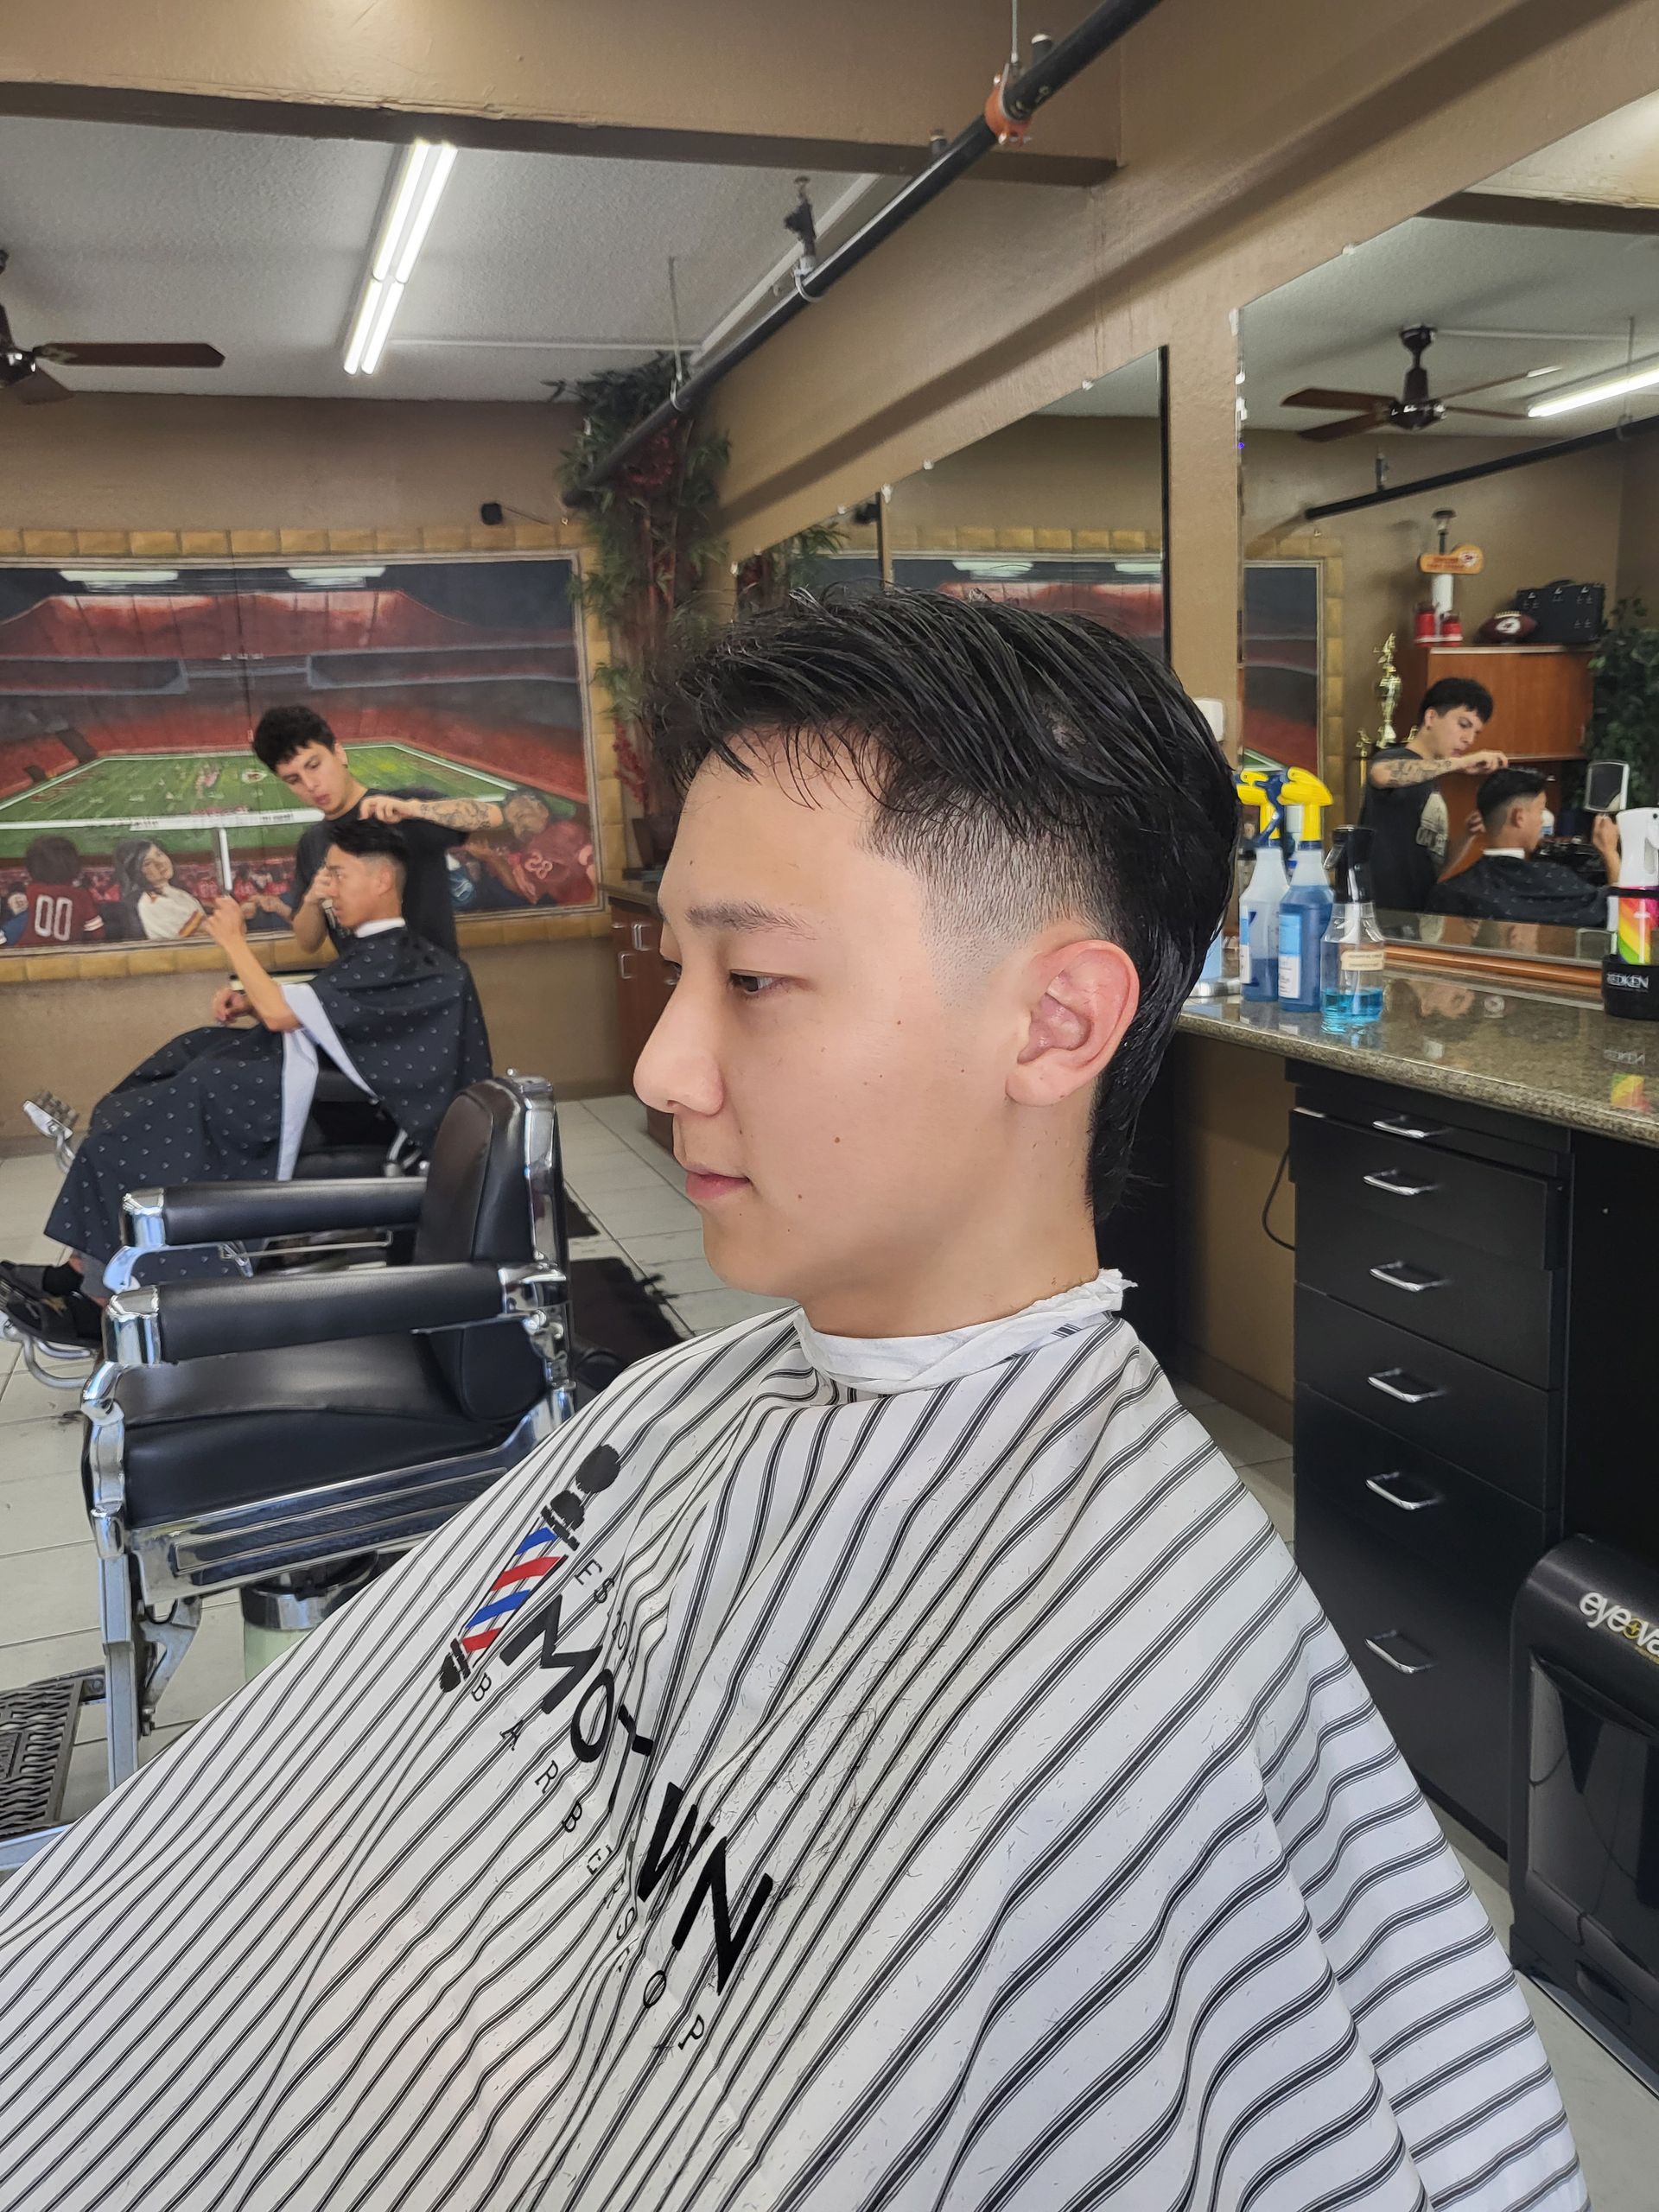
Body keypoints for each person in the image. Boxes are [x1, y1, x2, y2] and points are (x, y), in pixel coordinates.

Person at [0, 596, 1580, 2212]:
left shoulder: (1130, 1670)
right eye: (683, 959)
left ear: (1058, 1023)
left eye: (752, 978)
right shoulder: (696, 1399)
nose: (673, 1064)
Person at [0, 820, 491, 1350]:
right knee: (172, 1076)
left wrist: (235, 945)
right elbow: (331, 1014)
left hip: (326, 1111)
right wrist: (253, 1000)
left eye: (336, 874)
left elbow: (293, 1017)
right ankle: (78, 1273)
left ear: (380, 882)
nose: (325, 886)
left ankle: (90, 1295)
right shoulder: (387, 953)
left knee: (141, 1123)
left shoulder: (408, 960)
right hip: (299, 1085)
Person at [251, 703, 509, 956]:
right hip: (364, 991)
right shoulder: (312, 842)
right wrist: (312, 899)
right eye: (293, 780)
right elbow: (308, 943)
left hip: (434, 988)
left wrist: (417, 810)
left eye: (314, 765)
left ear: (339, 753)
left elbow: (493, 816)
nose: (310, 785)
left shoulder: (405, 806)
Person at [1359, 677, 1507, 911]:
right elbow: (1381, 774)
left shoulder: (1431, 781)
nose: (1468, 739)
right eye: (1463, 724)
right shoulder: (1397, 759)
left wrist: (1467, 835)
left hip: (1418, 916)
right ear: (1431, 718)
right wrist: (1459, 763)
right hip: (1382, 915)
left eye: (1476, 733)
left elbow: (1437, 865)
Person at [1427, 766, 1618, 931]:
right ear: (1519, 817)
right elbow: (1623, 912)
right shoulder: (1555, 881)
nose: (1542, 819)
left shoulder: (1451, 892)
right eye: (1541, 810)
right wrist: (1610, 853)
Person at [469, 785, 597, 906]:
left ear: (542, 810)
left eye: (521, 816)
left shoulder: (565, 832)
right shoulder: (527, 854)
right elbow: (523, 891)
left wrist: (595, 904)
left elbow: (594, 865)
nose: (519, 827)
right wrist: (492, 858)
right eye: (513, 825)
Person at [12, 834, 105, 948]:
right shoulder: (81, 896)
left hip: (24, 958)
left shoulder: (31, 892)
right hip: (67, 957)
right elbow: (97, 934)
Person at [111, 836, 207, 941]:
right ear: (136, 872)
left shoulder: (174, 891)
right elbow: (205, 931)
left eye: (159, 854)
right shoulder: (150, 902)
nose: (160, 864)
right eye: (147, 863)